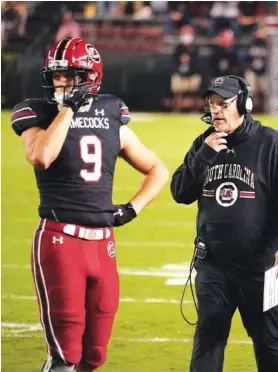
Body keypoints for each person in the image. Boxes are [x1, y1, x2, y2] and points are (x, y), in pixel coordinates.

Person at [11, 37, 168, 372]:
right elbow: (40, 155)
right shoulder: (37, 111)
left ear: (90, 76)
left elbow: (157, 169)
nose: (61, 82)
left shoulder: (111, 112)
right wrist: (68, 109)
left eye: (70, 75)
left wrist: (131, 208)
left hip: (103, 245)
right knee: (65, 354)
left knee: (94, 354)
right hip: (60, 239)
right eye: (56, 75)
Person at [170, 75, 278, 372]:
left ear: (243, 104)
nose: (216, 110)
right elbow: (180, 192)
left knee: (269, 343)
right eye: (212, 104)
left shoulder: (269, 143)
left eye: (223, 103)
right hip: (214, 265)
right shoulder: (203, 143)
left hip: (260, 266)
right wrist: (204, 154)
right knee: (208, 343)